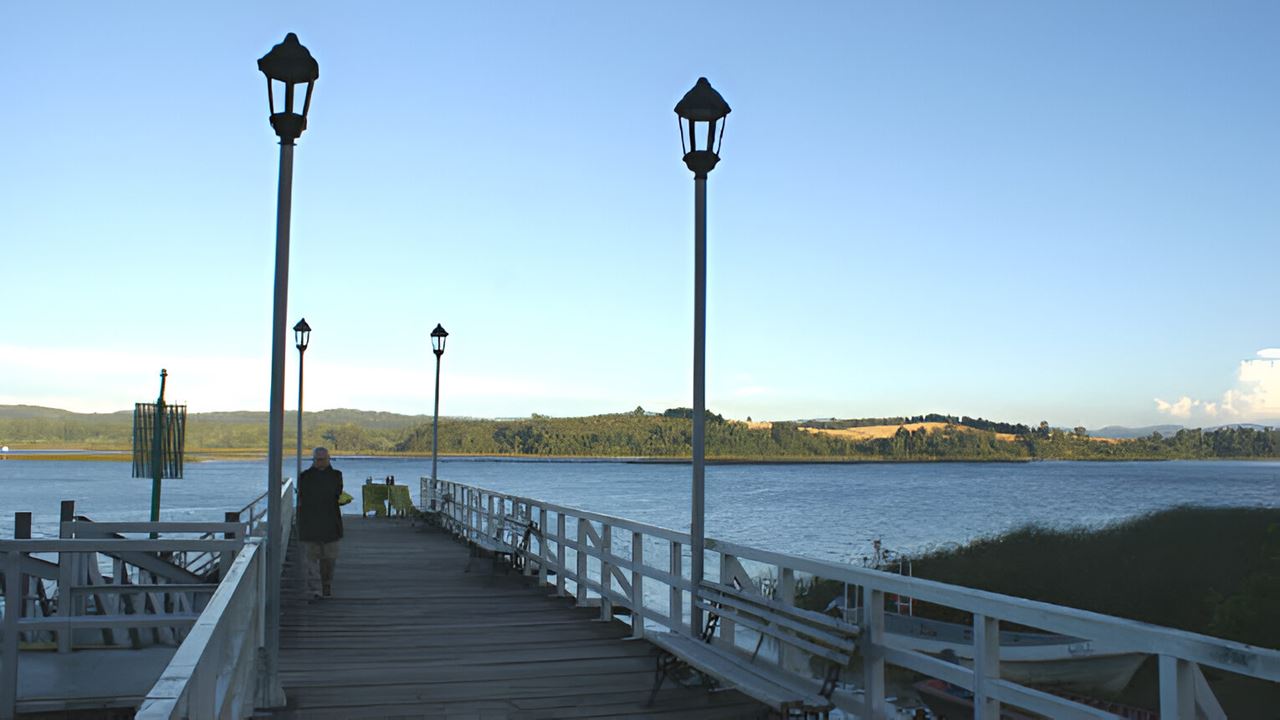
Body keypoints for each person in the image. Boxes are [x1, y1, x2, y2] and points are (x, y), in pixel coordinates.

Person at [297, 446, 343, 598]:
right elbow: (305, 496)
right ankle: (314, 591)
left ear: (329, 459)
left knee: (329, 561)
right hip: (310, 525)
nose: (320, 462)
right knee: (311, 561)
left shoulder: (336, 475)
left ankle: (326, 585)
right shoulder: (304, 477)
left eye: (323, 459)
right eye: (318, 459)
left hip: (331, 525)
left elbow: (334, 493)